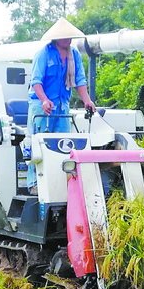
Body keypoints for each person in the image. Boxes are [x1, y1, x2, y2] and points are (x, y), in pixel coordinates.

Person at [26, 17, 95, 195]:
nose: (68, 40)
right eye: (65, 37)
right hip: (41, 104)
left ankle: (60, 180)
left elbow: (79, 80)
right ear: (56, 38)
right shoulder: (44, 54)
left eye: (70, 37)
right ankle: (34, 183)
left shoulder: (74, 54)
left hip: (62, 105)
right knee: (38, 144)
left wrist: (87, 100)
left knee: (63, 145)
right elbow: (36, 81)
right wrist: (44, 100)